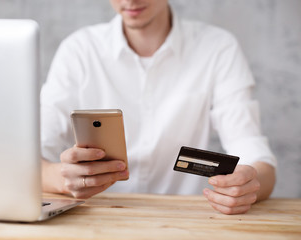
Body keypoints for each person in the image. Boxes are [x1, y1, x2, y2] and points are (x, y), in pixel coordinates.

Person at [40, 0, 276, 215]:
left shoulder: (217, 48)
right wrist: (61, 179)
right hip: (97, 218)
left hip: (183, 220)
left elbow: (255, 155)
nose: (129, 1)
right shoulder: (79, 51)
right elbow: (28, 159)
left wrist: (247, 185)